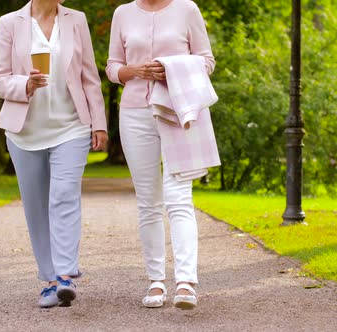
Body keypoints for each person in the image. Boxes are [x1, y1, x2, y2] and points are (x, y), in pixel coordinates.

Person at [0, 0, 108, 308]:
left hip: (71, 127)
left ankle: (65, 274)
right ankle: (51, 280)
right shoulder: (11, 22)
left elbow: (89, 77)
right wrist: (25, 84)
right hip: (24, 132)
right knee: (36, 206)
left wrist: (99, 123)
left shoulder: (76, 20)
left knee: (64, 194)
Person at [106, 0, 215, 309]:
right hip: (135, 113)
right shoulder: (123, 14)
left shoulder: (188, 9)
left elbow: (206, 60)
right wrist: (131, 70)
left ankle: (185, 282)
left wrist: (172, 69)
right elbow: (112, 66)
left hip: (178, 109)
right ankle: (155, 282)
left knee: (179, 195)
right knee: (148, 201)